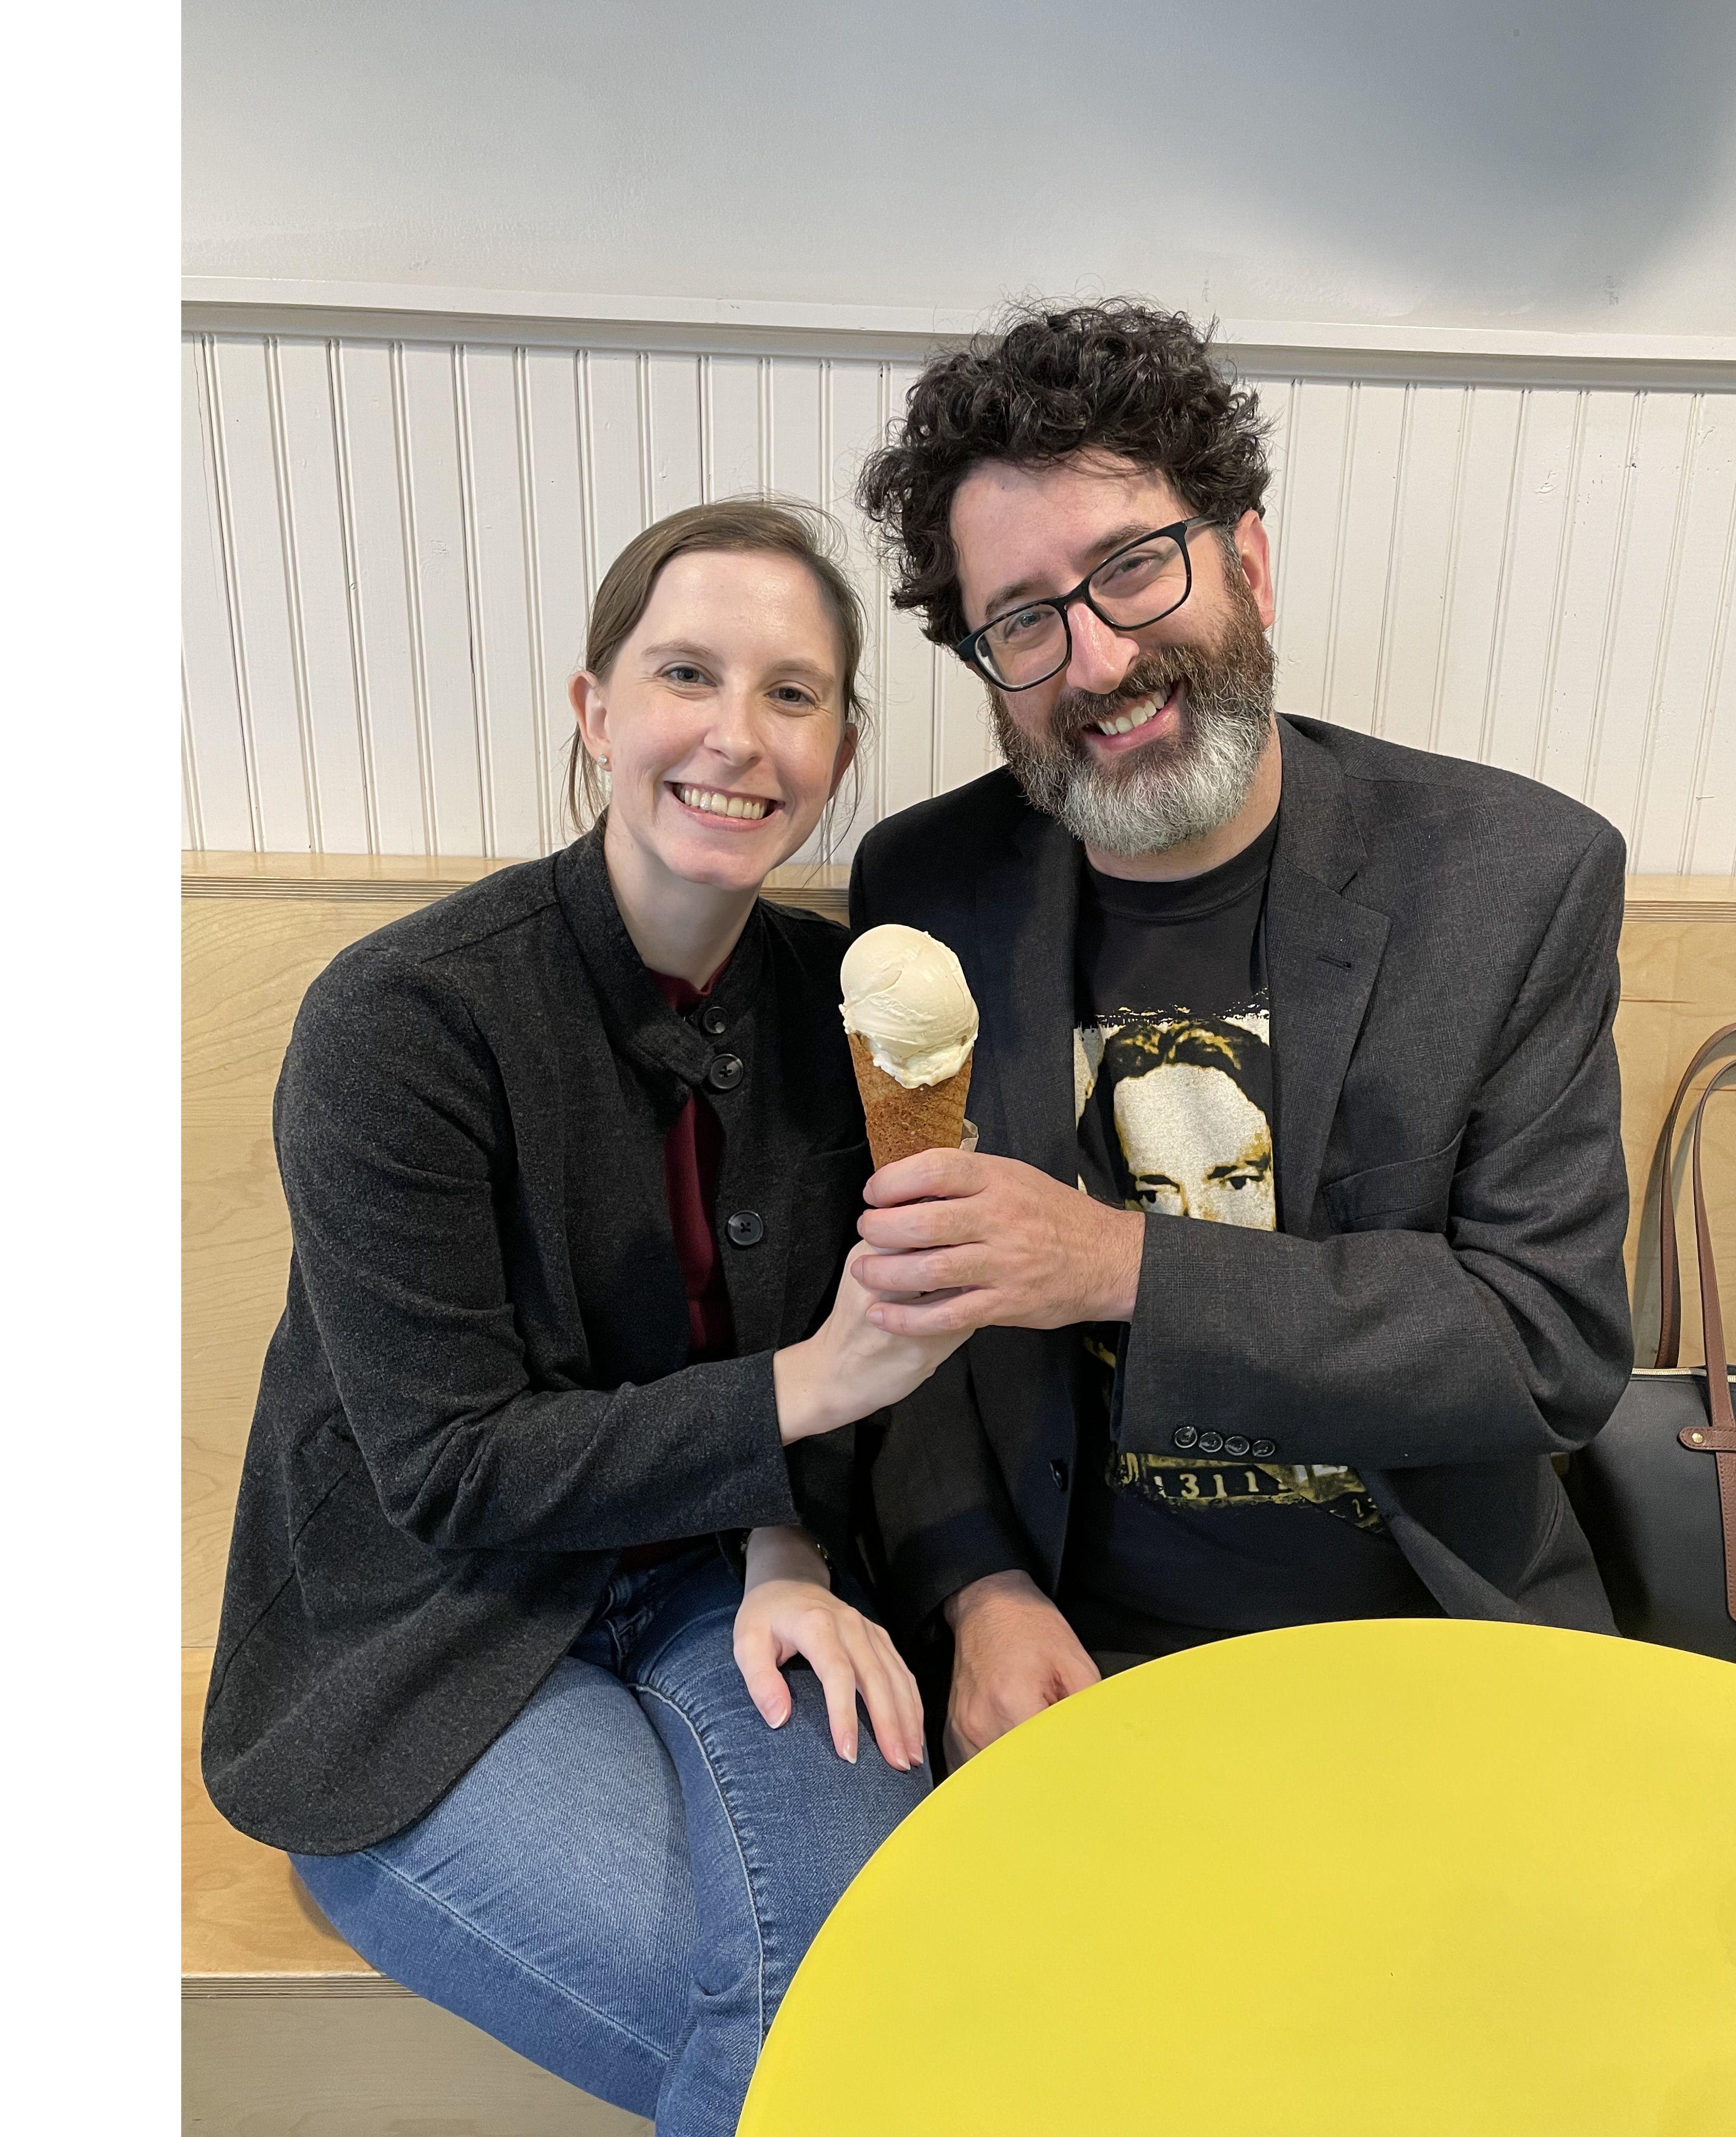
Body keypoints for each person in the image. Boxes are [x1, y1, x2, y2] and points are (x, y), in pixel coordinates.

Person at [200, 500, 954, 2135]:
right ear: (594, 707)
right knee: (857, 2058)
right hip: (430, 1642)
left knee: (913, 1978)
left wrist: (786, 1552)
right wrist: (805, 1392)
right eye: (687, 673)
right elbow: (452, 1471)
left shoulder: (853, 1015)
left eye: (795, 693)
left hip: (726, 1583)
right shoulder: (402, 1020)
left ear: (838, 748)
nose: (736, 738)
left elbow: (874, 1387)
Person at [846, 301, 1635, 1761]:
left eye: (1134, 568)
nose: (1095, 661)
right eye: (1023, 618)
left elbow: (1547, 1347)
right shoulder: (924, 886)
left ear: (1248, 561)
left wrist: (1116, 1265)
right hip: (1076, 1657)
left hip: (1430, 1650)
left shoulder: (1511, 878)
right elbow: (904, 1304)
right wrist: (978, 1589)